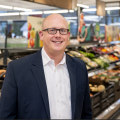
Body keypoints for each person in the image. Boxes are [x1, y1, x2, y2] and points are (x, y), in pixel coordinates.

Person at [0, 14, 92, 119]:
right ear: (41, 35)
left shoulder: (80, 67)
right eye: (52, 30)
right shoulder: (17, 69)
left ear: (68, 35)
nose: (58, 35)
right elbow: (6, 116)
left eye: (62, 30)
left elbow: (86, 113)